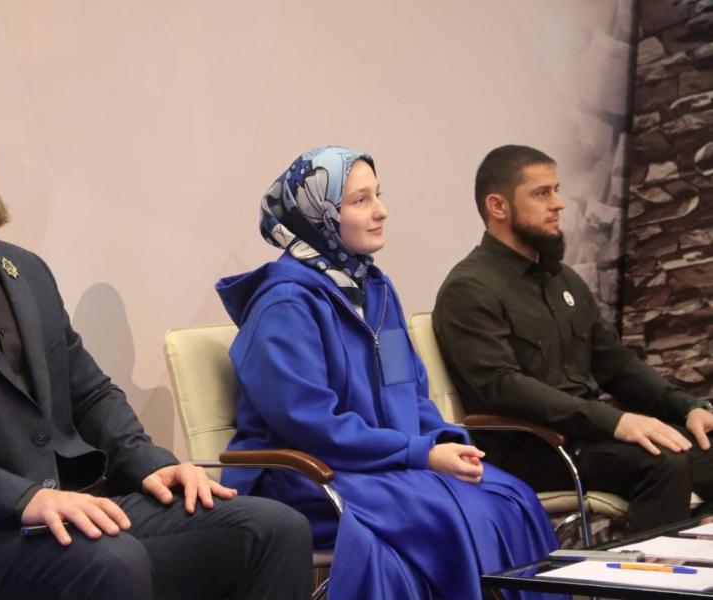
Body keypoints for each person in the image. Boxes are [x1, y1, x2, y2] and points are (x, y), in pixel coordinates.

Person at [0, 62, 313, 600]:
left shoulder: (24, 270)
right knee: (108, 561)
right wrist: (22, 497)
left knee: (273, 527)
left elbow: (89, 392)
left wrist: (150, 462)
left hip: (70, 515)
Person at [216, 146, 559, 599]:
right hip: (307, 477)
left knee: (514, 498)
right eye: (361, 201)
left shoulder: (375, 289)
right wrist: (420, 455)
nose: (381, 211)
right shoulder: (285, 304)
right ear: (319, 215)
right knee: (452, 514)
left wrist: (442, 440)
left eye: (378, 195)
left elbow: (407, 389)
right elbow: (313, 426)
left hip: (381, 465)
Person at [433, 144, 713, 533]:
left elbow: (616, 364)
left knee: (707, 447)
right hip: (532, 447)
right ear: (498, 206)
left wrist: (688, 408)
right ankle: (642, 571)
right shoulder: (469, 289)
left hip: (587, 435)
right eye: (541, 193)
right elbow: (503, 387)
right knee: (665, 463)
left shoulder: (562, 279)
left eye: (556, 190)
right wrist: (615, 421)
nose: (559, 204)